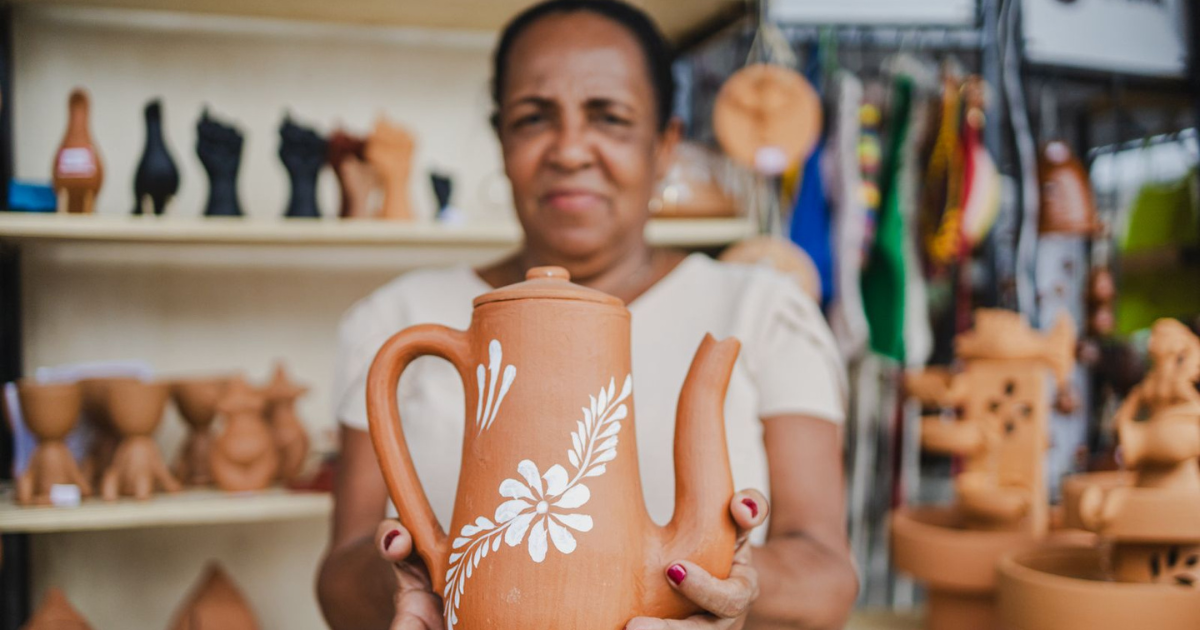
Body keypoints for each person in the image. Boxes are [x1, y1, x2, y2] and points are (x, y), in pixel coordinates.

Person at [316, 2, 857, 629]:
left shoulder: (760, 310)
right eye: (533, 118)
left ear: (664, 145)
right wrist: (428, 576)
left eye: (610, 117)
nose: (570, 149)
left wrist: (726, 585)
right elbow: (336, 580)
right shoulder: (398, 316)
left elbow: (829, 579)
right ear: (502, 141)